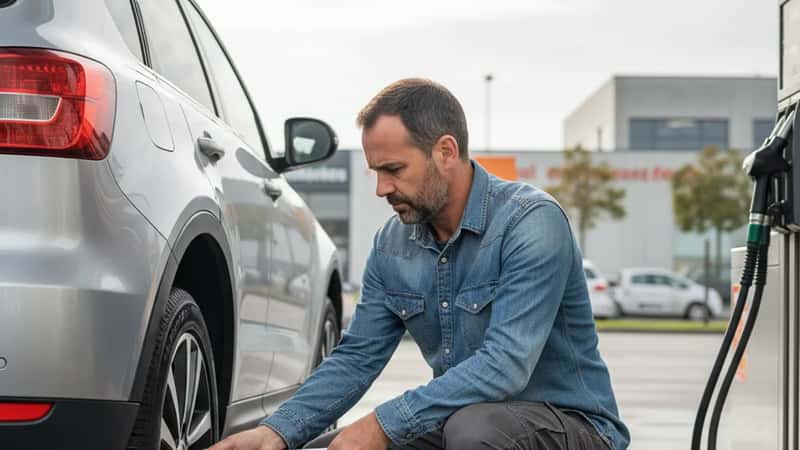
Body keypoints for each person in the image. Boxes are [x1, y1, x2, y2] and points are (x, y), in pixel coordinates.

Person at [209, 78, 630, 450]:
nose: (381, 188)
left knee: (471, 431)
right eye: (376, 172)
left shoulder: (530, 222)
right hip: (464, 422)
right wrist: (277, 431)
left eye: (393, 169)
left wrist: (382, 423)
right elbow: (357, 357)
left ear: (446, 151)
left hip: (572, 427)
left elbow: (505, 366)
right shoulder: (391, 246)